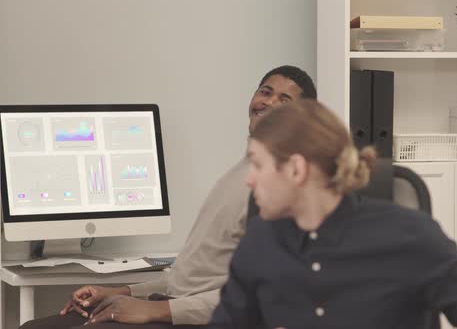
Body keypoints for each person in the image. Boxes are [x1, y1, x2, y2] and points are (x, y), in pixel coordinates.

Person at [19, 65, 317, 329]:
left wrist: (154, 310)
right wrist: (122, 293)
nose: (268, 102)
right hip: (175, 305)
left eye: (284, 101)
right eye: (265, 92)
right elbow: (188, 280)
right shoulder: (241, 172)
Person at [207, 99, 457, 329]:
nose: (249, 179)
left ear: (296, 169)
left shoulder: (409, 236)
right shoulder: (259, 242)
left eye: (258, 164)